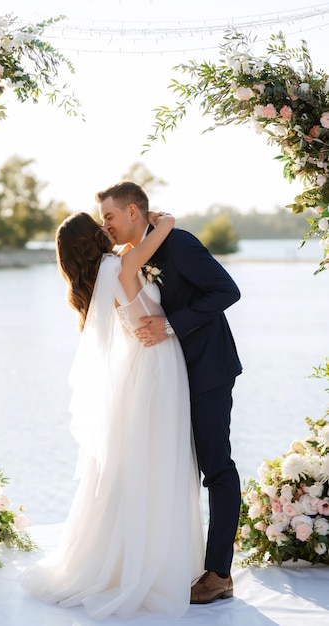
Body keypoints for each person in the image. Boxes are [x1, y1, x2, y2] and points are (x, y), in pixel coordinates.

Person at [22, 211, 205, 620]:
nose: (107, 227)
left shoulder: (101, 276)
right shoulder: (119, 265)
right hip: (158, 366)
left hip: (143, 367)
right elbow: (157, 236)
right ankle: (154, 563)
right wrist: (167, 221)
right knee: (160, 459)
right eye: (99, 224)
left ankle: (135, 554)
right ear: (92, 238)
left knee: (143, 461)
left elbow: (132, 261)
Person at [97, 181, 242, 605]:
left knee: (217, 467)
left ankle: (218, 573)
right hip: (169, 378)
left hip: (207, 370)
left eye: (110, 215)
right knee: (177, 469)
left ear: (134, 213)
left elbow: (227, 290)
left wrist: (172, 324)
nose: (105, 223)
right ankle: (178, 559)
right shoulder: (133, 255)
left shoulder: (177, 243)